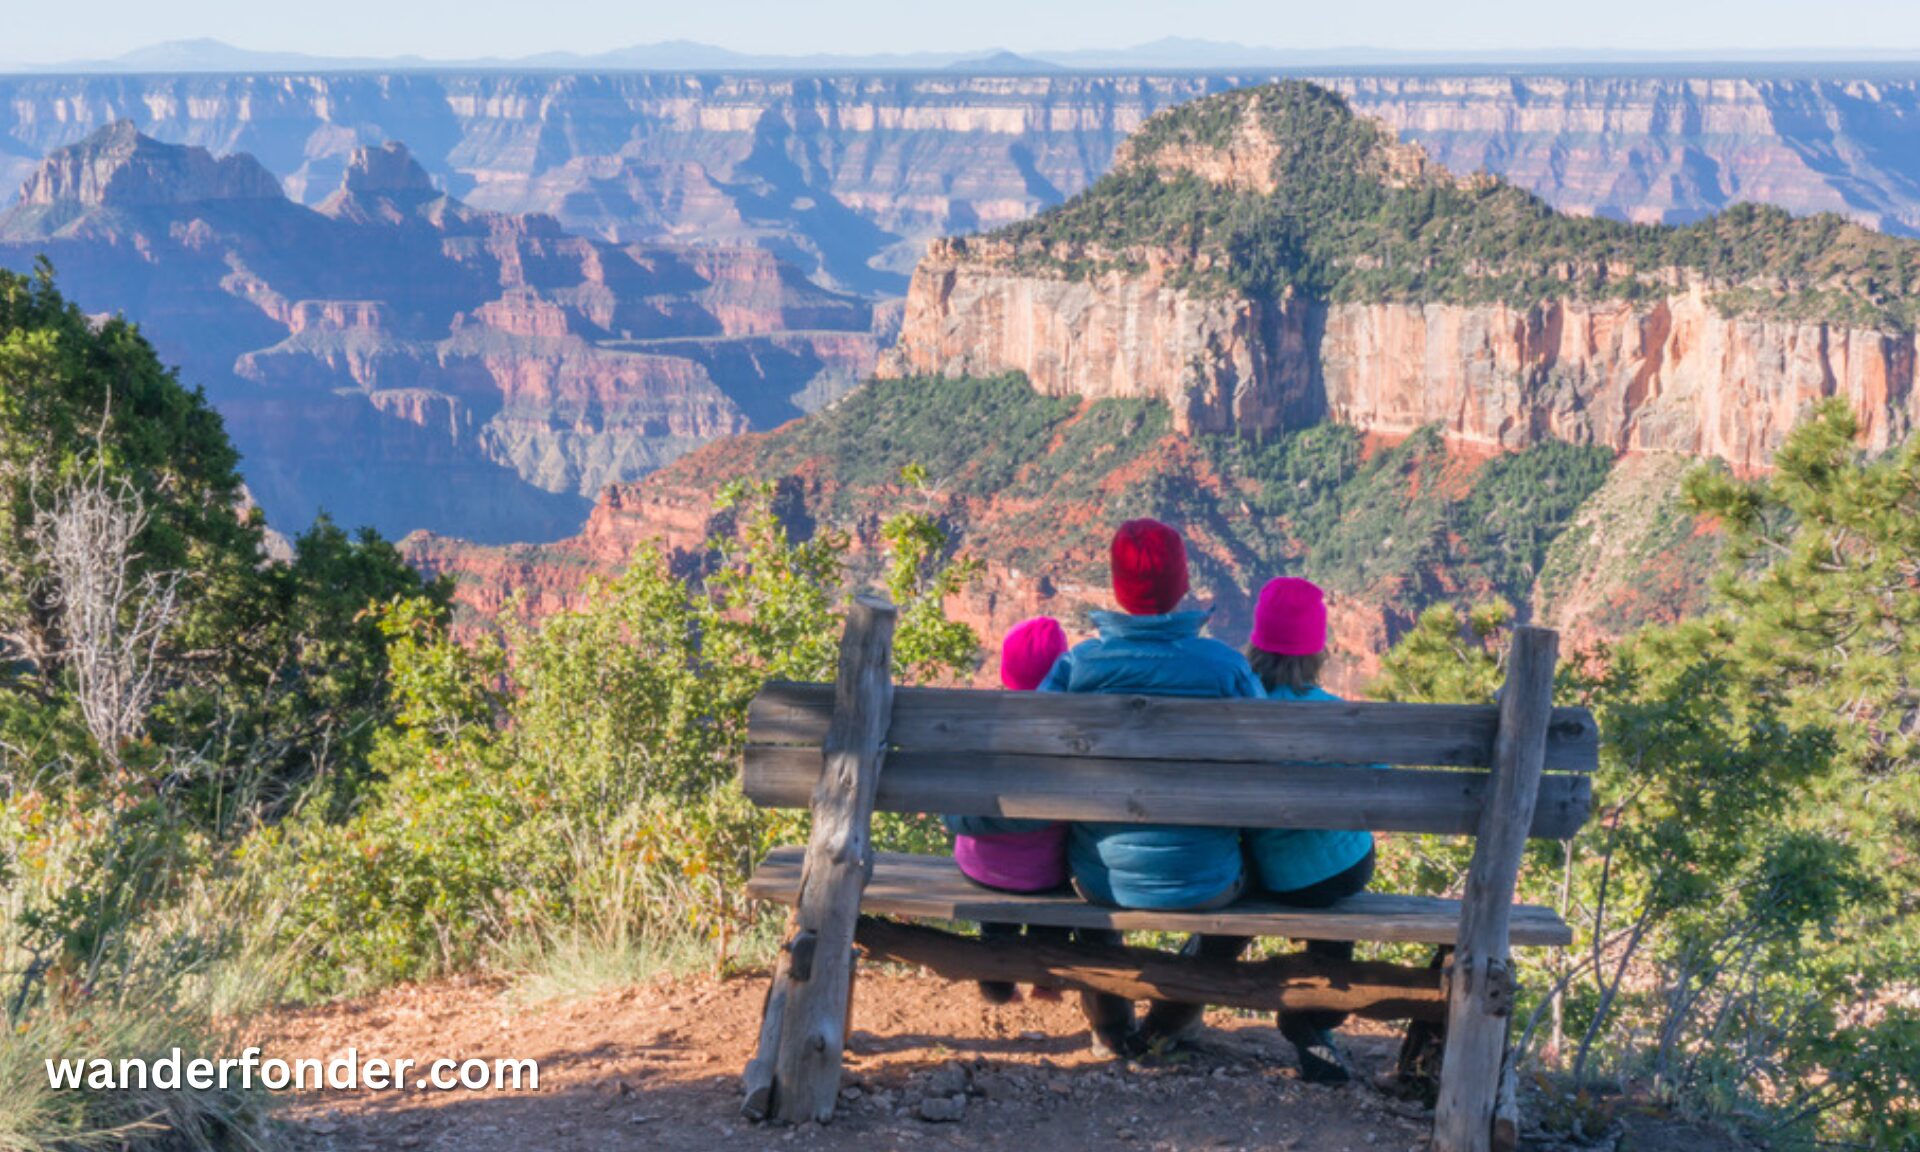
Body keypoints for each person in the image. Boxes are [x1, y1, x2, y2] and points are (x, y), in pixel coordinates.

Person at [1038, 519, 1264, 1055]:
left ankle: (1110, 1025)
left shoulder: (1077, 666)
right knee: (1255, 882)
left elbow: (1037, 751)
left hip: (1100, 877)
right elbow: (1267, 759)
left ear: (1117, 587)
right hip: (1209, 879)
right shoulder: (1227, 669)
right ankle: (1172, 1018)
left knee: (1084, 874)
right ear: (1183, 584)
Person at [1142, 576, 1377, 1081]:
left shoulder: (1233, 711)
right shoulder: (1341, 716)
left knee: (1239, 889)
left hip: (1265, 870)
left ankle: (1163, 1024)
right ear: (1316, 649)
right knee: (1328, 900)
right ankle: (1313, 1016)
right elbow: (1381, 781)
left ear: (1257, 638)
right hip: (1342, 871)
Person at [945, 617, 1073, 1004]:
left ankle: (997, 982)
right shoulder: (1076, 730)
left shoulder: (982, 723)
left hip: (980, 865)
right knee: (1058, 881)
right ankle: (1046, 979)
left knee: (997, 908)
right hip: (1050, 871)